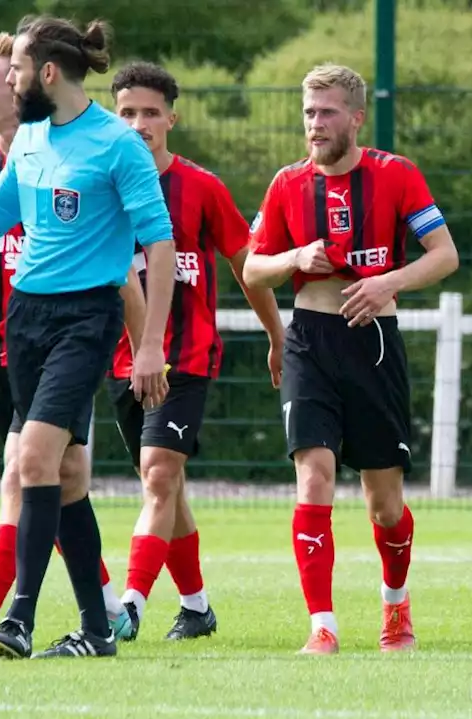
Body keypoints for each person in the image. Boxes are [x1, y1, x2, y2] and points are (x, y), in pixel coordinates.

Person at [0, 14, 174, 660]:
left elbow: (159, 249)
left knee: (32, 460)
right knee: (71, 475)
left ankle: (17, 616)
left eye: (19, 69)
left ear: (47, 74)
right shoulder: (27, 137)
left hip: (86, 319)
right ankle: (96, 627)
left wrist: (149, 345)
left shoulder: (117, 145)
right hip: (25, 318)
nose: (12, 79)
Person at [244, 64, 459, 655]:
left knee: (383, 502)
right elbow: (252, 268)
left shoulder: (396, 174)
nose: (316, 123)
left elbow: (444, 255)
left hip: (375, 344)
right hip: (309, 341)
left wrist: (387, 281)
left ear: (356, 117)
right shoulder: (287, 183)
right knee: (312, 474)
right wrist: (294, 257)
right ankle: (323, 626)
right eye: (310, 112)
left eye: (328, 112)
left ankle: (396, 608)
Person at [104, 61, 284, 641]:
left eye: (151, 113)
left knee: (158, 477)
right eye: (127, 112)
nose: (139, 124)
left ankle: (128, 606)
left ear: (171, 119)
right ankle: (198, 608)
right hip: (118, 361)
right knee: (167, 489)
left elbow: (247, 267)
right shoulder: (99, 186)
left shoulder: (202, 188)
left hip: (187, 358)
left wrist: (277, 337)